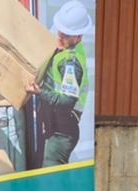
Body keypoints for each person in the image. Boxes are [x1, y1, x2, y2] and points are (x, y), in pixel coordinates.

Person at [26, 0, 91, 167]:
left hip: (62, 132)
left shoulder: (71, 63)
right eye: (60, 31)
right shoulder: (66, 48)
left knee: (51, 176)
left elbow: (67, 101)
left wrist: (39, 92)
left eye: (66, 35)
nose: (60, 36)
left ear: (78, 36)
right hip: (54, 127)